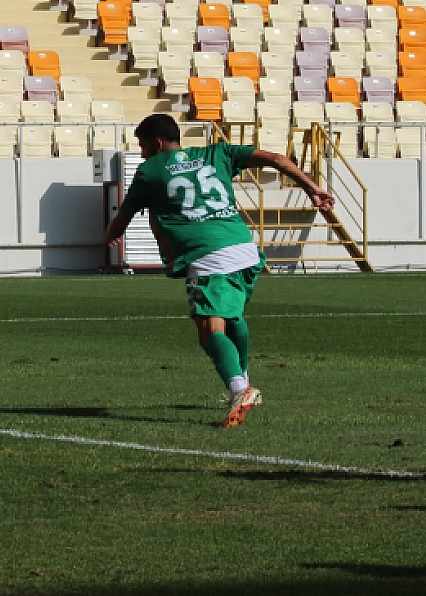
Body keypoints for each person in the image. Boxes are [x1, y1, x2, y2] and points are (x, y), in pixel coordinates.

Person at [103, 113, 335, 429]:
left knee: (209, 329)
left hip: (208, 257)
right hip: (244, 249)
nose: (142, 153)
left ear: (157, 143)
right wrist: (312, 189)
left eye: (143, 146)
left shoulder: (150, 171)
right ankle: (244, 375)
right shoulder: (217, 152)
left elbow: (125, 216)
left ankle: (240, 388)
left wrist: (108, 236)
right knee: (234, 317)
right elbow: (277, 158)